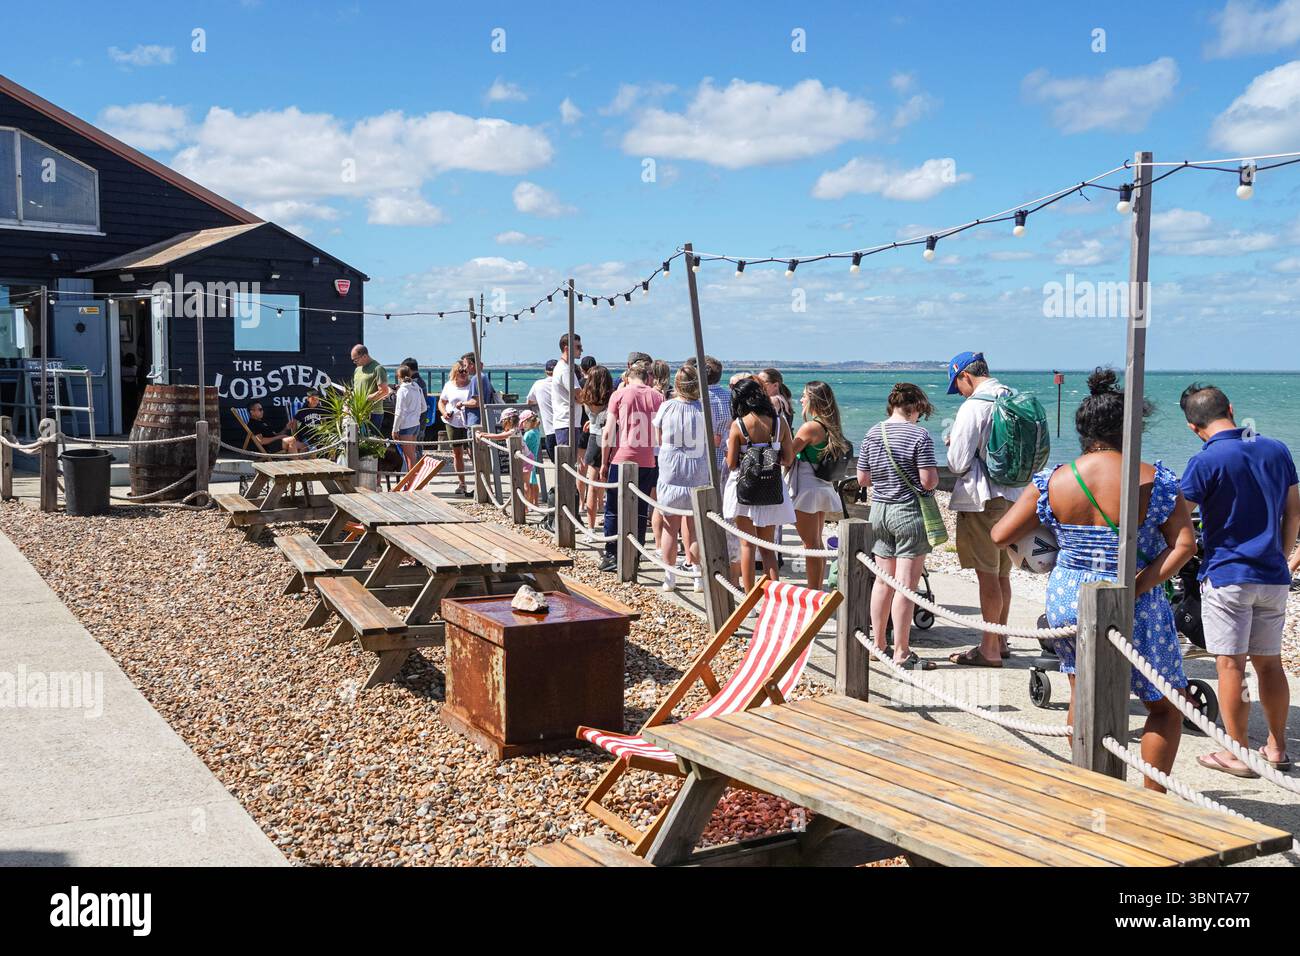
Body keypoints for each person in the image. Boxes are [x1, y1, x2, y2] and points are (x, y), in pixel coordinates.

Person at [992, 369, 1195, 791]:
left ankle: (1088, 788)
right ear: (1130, 428)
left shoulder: (1054, 481)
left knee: (1084, 692)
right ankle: (1150, 801)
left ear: (1084, 430)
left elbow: (1000, 535)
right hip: (1136, 597)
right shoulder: (1157, 480)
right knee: (1164, 707)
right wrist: (1135, 588)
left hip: (1071, 597)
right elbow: (1184, 546)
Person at [1179, 384, 1299, 775]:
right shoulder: (1277, 449)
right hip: (1273, 576)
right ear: (1230, 408)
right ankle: (1277, 747)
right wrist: (1282, 556)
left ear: (1193, 426)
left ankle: (1235, 753)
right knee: (1269, 665)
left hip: (1229, 574)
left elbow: (1179, 514)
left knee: (1231, 667)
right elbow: (1293, 512)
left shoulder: (1207, 460)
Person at [944, 350, 1020, 667]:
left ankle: (988, 650)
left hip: (983, 498)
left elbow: (959, 463)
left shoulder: (974, 406)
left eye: (957, 384)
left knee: (987, 576)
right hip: (1016, 497)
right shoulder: (1013, 397)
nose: (959, 391)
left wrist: (951, 443)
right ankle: (999, 640)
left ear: (966, 376)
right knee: (1003, 573)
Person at [857, 384, 940, 669]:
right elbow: (928, 481)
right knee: (906, 586)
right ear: (915, 407)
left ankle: (877, 643)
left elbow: (862, 479)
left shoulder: (872, 432)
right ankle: (902, 652)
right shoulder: (919, 435)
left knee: (883, 581)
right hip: (908, 511)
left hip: (879, 511)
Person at [723, 377, 795, 593]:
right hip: (771, 489)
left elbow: (732, 464)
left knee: (747, 545)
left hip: (745, 489)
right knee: (768, 549)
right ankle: (774, 597)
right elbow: (788, 459)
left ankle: (749, 598)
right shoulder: (779, 422)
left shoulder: (739, 425)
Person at [599, 360, 663, 573]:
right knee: (641, 509)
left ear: (627, 377)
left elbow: (608, 432)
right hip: (647, 459)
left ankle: (611, 552)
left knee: (613, 508)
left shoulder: (618, 395)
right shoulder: (658, 397)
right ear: (647, 378)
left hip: (622, 456)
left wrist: (603, 461)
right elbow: (660, 434)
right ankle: (636, 553)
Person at [653, 365, 710, 592]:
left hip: (671, 469)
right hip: (696, 469)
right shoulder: (704, 409)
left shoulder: (667, 407)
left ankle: (670, 577)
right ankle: (696, 575)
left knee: (670, 527)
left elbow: (658, 438)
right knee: (694, 528)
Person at [789, 381, 849, 589]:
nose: (801, 399)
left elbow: (787, 456)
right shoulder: (829, 425)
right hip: (821, 486)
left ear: (813, 399)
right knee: (816, 542)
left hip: (807, 488)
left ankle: (813, 591)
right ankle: (817, 589)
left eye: (804, 395)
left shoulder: (811, 427)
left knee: (810, 545)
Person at [578, 364, 614, 530]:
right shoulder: (611, 398)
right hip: (610, 440)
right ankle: (610, 522)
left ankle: (590, 527)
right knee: (611, 487)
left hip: (593, 439)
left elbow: (596, 418)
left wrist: (590, 422)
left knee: (592, 486)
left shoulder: (587, 398)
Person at [438, 360, 473, 496]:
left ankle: (479, 480)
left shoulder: (472, 385)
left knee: (472, 452)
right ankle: (462, 483)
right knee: (457, 453)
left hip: (469, 421)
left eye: (466, 371)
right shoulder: (449, 386)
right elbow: (442, 401)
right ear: (455, 372)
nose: (464, 374)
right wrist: (444, 412)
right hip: (453, 421)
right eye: (461, 371)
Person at [392, 364, 426, 470]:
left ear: (399, 377)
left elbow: (399, 411)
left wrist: (395, 429)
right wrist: (414, 413)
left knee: (409, 456)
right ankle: (411, 481)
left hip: (405, 426)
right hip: (416, 424)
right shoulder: (417, 388)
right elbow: (424, 407)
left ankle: (411, 482)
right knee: (412, 455)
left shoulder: (402, 390)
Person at [350, 344, 390, 433]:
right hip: (358, 411)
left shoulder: (378, 369)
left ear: (364, 356)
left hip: (373, 413)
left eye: (355, 360)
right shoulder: (357, 369)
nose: (354, 362)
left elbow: (384, 391)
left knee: (371, 443)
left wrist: (367, 398)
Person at [552, 333, 582, 448]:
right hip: (567, 423)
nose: (581, 350)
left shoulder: (563, 367)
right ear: (567, 348)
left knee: (568, 462)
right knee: (567, 462)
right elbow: (579, 396)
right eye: (578, 347)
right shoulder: (565, 370)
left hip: (567, 423)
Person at [460, 352, 500, 429]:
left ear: (471, 364)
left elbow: (476, 402)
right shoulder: (484, 377)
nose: (464, 368)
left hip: (475, 421)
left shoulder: (476, 378)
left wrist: (462, 403)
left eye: (465, 365)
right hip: (484, 419)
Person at [527, 359, 557, 461]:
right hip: (568, 429)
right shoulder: (564, 385)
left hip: (550, 430)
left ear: (546, 372)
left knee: (556, 462)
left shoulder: (538, 384)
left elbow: (530, 401)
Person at [282, 388, 325, 454]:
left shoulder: (321, 410)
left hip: (318, 435)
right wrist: (295, 436)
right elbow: (294, 422)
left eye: (317, 399)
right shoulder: (303, 410)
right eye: (313, 398)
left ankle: (332, 461)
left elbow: (324, 422)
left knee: (331, 445)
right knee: (312, 449)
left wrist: (324, 432)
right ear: (308, 399)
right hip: (306, 436)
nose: (315, 401)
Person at [519, 408, 544, 507]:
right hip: (534, 458)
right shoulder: (537, 432)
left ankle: (528, 504)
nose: (523, 426)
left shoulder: (528, 434)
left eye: (524, 423)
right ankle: (536, 502)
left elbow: (523, 445)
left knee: (528, 484)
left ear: (527, 421)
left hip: (527, 460)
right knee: (534, 481)